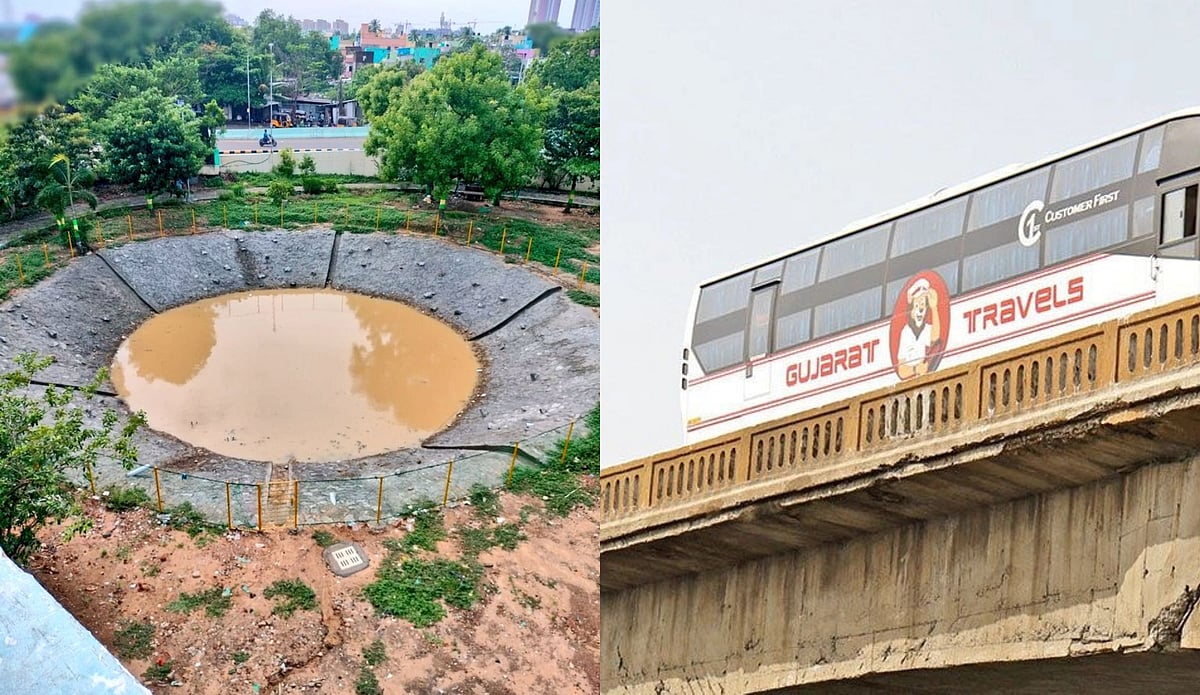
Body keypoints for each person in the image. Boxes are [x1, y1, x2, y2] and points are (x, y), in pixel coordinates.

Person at [896, 278, 941, 379]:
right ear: (910, 310)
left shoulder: (927, 329)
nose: (920, 310)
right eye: (916, 306)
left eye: (923, 306)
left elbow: (935, 338)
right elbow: (901, 369)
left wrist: (934, 307)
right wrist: (916, 369)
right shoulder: (906, 332)